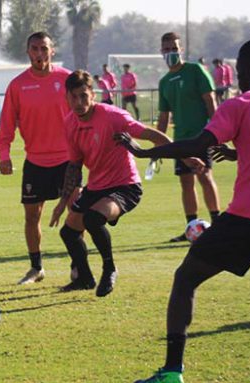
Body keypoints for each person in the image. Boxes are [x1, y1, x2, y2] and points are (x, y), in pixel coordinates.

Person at [121, 25, 250, 383]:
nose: (239, 79)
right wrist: (239, 148)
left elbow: (198, 144)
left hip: (248, 218)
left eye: (241, 73)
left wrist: (147, 151)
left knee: (185, 279)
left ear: (249, 72)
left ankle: (171, 373)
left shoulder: (242, 103)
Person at [49, 70, 174, 297]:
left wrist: (187, 156)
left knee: (93, 219)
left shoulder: (113, 116)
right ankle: (85, 279)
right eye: (74, 97)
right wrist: (62, 202)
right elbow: (75, 166)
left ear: (93, 96)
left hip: (125, 186)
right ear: (66, 97)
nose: (79, 102)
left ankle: (110, 268)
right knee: (68, 232)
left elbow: (153, 135)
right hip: (97, 187)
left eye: (83, 96)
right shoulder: (69, 124)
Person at [0, 31, 72, 285]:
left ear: (53, 50)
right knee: (31, 217)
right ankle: (36, 268)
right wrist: (4, 155)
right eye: (35, 49)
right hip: (36, 162)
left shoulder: (67, 79)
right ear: (28, 52)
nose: (40, 54)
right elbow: (6, 125)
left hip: (67, 160)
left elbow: (85, 115)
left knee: (76, 213)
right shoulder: (17, 85)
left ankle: (77, 265)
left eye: (44, 48)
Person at [158, 32, 221, 243]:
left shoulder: (195, 70)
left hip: (202, 136)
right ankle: (191, 227)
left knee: (205, 176)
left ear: (181, 49)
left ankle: (217, 223)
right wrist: (158, 145)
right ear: (161, 52)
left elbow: (210, 100)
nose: (170, 53)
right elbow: (164, 117)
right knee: (186, 183)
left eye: (174, 48)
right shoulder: (164, 81)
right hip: (180, 141)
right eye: (166, 49)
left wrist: (217, 131)